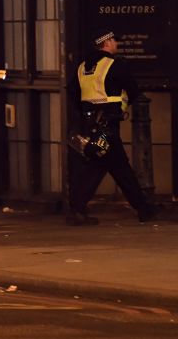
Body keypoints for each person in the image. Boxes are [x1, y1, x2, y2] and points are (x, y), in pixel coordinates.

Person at [66, 30, 159, 225]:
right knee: (110, 167)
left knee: (109, 165)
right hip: (108, 124)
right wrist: (121, 107)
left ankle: (142, 208)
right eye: (114, 40)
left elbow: (73, 94)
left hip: (91, 123)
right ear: (107, 43)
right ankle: (142, 209)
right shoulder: (115, 65)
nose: (116, 43)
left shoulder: (82, 67)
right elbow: (133, 90)